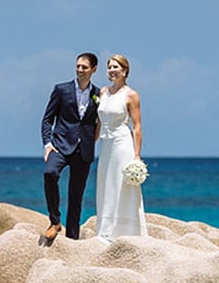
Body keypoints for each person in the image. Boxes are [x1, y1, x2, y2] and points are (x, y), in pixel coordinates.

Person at [40, 53, 100, 241]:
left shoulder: (99, 94)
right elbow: (47, 119)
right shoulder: (61, 89)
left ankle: (73, 237)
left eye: (84, 67)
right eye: (78, 66)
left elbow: (98, 121)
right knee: (50, 174)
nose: (80, 70)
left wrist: (92, 141)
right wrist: (47, 144)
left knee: (76, 196)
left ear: (94, 70)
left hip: (84, 151)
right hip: (59, 146)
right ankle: (55, 222)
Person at [93, 54, 145, 239]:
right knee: (104, 184)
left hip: (122, 143)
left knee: (119, 184)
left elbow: (137, 126)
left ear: (125, 71)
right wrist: (92, 142)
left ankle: (124, 231)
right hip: (105, 144)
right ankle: (104, 229)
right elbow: (99, 122)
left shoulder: (131, 95)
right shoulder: (103, 92)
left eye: (116, 67)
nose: (112, 70)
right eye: (110, 67)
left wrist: (137, 155)